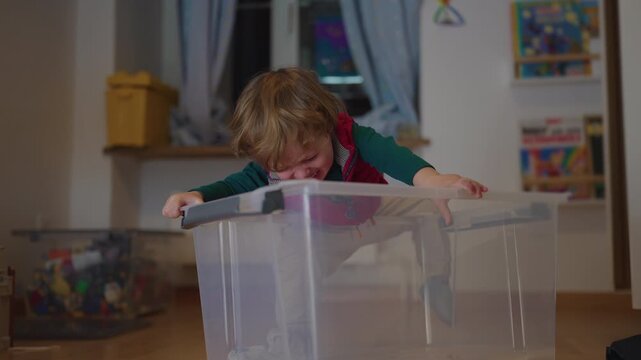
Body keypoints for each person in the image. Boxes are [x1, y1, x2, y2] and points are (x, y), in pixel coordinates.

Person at [162, 67, 487, 359]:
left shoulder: (353, 137)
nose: (301, 174)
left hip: (375, 213)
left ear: (326, 127)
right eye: (284, 169)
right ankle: (293, 343)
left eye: (309, 158)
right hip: (316, 236)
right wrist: (198, 195)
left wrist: (434, 181)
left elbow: (395, 158)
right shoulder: (267, 166)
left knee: (431, 204)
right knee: (290, 275)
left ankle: (435, 279)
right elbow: (234, 185)